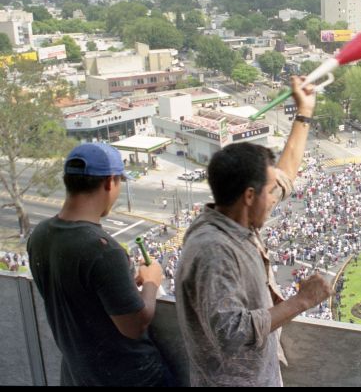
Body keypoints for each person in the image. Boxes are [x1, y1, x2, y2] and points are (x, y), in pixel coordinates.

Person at [176, 76, 332, 387]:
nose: (275, 197)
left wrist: (304, 113)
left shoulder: (234, 218)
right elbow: (231, 332)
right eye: (270, 192)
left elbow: (284, 175)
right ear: (250, 195)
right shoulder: (214, 251)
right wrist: (302, 301)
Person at [27, 143, 169, 386]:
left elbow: (81, 300)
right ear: (109, 182)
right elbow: (135, 325)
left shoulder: (39, 236)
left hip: (78, 375)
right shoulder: (103, 249)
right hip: (129, 377)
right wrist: (151, 281)